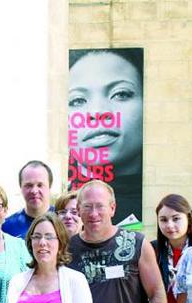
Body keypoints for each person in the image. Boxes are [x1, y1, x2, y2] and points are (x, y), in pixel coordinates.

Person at [68, 48, 143, 224]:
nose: (97, 112)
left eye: (120, 94)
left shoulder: (161, 206)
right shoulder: (61, 209)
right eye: (77, 100)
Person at [2, 160, 54, 239]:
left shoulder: (64, 220)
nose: (34, 191)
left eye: (40, 185)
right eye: (29, 185)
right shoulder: (7, 227)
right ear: (21, 188)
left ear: (49, 187)